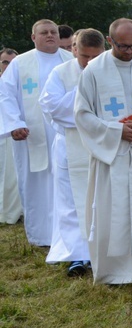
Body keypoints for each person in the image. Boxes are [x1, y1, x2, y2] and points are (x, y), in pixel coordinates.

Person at [74, 18, 132, 291]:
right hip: (112, 158)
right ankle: (115, 271)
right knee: (112, 212)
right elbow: (82, 114)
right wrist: (116, 131)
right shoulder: (94, 71)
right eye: (123, 46)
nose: (129, 51)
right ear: (110, 40)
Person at [0, 19, 73, 246]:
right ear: (33, 37)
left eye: (53, 32)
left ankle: (68, 234)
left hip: (65, 134)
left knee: (65, 183)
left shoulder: (70, 61)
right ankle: (41, 235)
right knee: (36, 184)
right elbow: (6, 95)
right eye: (44, 32)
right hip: (31, 135)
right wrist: (14, 124)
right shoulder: (20, 63)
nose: (50, 35)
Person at [41, 29, 105, 277]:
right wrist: (83, 93)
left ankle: (102, 250)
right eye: (84, 56)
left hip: (102, 142)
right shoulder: (60, 73)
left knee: (101, 199)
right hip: (71, 143)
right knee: (71, 202)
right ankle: (77, 255)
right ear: (74, 49)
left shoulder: (108, 71)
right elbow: (52, 106)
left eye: (95, 57)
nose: (89, 62)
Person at [0, 49, 22, 225]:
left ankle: (16, 210)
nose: (8, 65)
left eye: (12, 62)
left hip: (13, 134)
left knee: (13, 174)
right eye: (5, 62)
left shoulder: (21, 83)